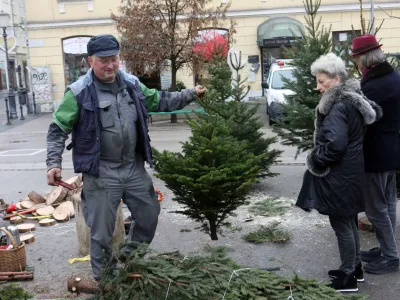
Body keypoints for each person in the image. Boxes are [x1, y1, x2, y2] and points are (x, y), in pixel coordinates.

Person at [46, 34, 207, 281]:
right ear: (91, 61)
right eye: (103, 61)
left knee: (149, 214)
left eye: (114, 59)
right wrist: (53, 163)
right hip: (101, 172)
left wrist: (191, 93)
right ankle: (107, 283)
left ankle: (129, 257)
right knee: (101, 232)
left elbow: (160, 100)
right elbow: (58, 129)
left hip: (133, 167)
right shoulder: (78, 92)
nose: (110, 65)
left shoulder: (132, 84)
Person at [296, 53, 382, 292]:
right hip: (350, 172)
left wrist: (315, 159)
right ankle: (355, 268)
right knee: (349, 221)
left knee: (341, 223)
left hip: (339, 175)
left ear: (335, 79)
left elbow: (335, 144)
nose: (318, 87)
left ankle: (348, 277)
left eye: (322, 82)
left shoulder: (338, 105)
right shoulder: (352, 100)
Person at [352, 34, 400, 274]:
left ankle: (390, 256)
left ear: (364, 58)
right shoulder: (393, 77)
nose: (356, 63)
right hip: (391, 149)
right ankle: (386, 249)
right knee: (389, 202)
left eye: (357, 58)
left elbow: (363, 119)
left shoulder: (373, 85)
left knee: (375, 208)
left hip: (375, 153)